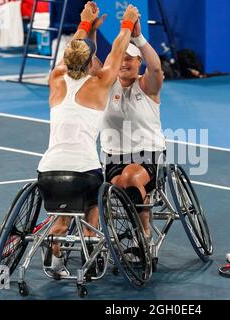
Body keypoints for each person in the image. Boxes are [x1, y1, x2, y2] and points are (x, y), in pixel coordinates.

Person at [36, 1, 140, 277]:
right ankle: (90, 254)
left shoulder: (56, 78)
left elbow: (77, 52)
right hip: (84, 172)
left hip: (47, 172)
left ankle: (56, 260)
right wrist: (127, 22)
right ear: (91, 62)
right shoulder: (101, 82)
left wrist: (85, 25)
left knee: (62, 213)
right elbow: (118, 51)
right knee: (92, 205)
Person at [100, 18, 166, 243]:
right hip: (113, 156)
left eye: (130, 58)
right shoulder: (106, 85)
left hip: (147, 153)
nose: (124, 62)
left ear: (139, 62)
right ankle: (137, 229)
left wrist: (137, 36)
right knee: (118, 183)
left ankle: (143, 232)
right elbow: (93, 62)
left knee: (129, 177)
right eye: (121, 57)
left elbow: (156, 67)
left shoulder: (148, 85)